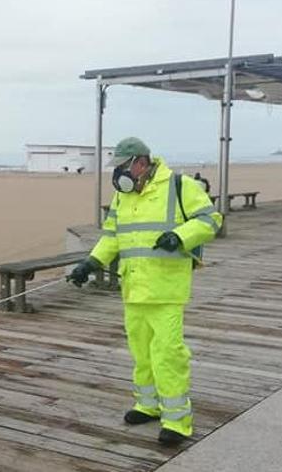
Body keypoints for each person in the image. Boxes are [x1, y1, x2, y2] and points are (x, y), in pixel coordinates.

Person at [68, 137, 222, 446]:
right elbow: (112, 235)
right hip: (133, 288)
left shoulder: (179, 186)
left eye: (123, 167)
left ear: (140, 163)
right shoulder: (123, 197)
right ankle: (148, 405)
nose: (118, 174)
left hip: (165, 290)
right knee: (141, 353)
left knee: (168, 355)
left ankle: (178, 421)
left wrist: (180, 237)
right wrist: (90, 262)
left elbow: (210, 219)